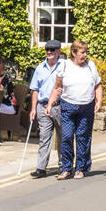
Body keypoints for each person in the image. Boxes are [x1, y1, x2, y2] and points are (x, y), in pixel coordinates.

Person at [48, 40, 102, 180]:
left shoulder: (91, 66)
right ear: (74, 53)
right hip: (68, 106)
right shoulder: (64, 66)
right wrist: (50, 104)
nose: (85, 55)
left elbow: (97, 85)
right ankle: (66, 169)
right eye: (82, 52)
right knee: (66, 137)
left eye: (86, 52)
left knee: (82, 138)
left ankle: (80, 169)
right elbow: (57, 87)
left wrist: (99, 101)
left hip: (86, 106)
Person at [27, 40, 65, 178]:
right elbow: (35, 90)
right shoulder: (40, 67)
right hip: (42, 106)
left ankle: (63, 166)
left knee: (62, 137)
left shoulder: (65, 66)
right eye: (47, 50)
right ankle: (41, 168)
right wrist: (33, 109)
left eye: (52, 50)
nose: (49, 52)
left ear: (59, 51)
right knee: (44, 138)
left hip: (60, 106)